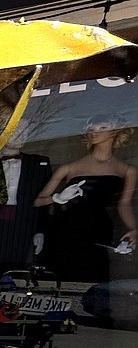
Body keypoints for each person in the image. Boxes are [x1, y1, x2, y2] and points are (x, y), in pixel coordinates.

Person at [34, 118, 138, 282]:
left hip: (98, 228)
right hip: (65, 227)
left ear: (115, 132)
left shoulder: (127, 170)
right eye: (91, 127)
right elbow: (37, 202)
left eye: (102, 127)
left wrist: (134, 229)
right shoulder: (69, 167)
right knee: (60, 272)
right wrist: (57, 198)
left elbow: (124, 204)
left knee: (91, 273)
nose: (94, 131)